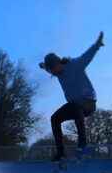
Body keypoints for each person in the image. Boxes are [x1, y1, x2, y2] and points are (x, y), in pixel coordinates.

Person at [39, 31, 104, 161]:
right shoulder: (55, 71)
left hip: (88, 103)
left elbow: (87, 56)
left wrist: (97, 45)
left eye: (53, 70)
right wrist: (43, 66)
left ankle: (83, 144)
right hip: (75, 106)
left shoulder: (75, 64)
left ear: (58, 63)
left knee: (75, 106)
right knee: (54, 119)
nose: (54, 73)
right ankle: (61, 153)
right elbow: (46, 66)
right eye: (51, 71)